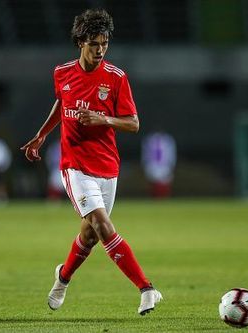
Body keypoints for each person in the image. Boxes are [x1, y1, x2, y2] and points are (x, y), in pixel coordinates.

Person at [21, 8, 162, 315]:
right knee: (102, 224)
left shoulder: (115, 78)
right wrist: (41, 135)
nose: (100, 50)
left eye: (104, 44)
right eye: (94, 44)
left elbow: (134, 123)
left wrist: (103, 118)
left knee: (90, 234)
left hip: (107, 166)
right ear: (80, 42)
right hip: (75, 166)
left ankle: (62, 278)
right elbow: (62, 104)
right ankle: (147, 288)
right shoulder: (62, 72)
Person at [142, 131, 177, 198]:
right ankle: (154, 197)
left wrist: (171, 164)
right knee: (153, 183)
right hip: (152, 165)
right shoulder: (150, 140)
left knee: (165, 182)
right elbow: (146, 153)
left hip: (164, 165)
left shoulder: (168, 140)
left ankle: (165, 197)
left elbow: (171, 153)